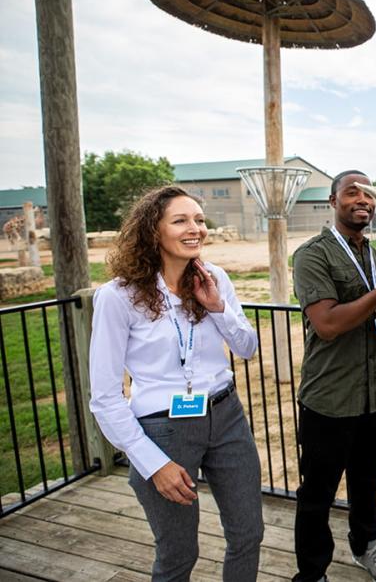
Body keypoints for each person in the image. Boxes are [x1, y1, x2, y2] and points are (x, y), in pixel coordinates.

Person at [89, 185, 263, 581]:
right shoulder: (118, 296)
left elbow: (247, 347)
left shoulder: (214, 276)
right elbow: (104, 396)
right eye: (181, 220)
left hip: (226, 417)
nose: (196, 228)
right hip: (163, 431)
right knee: (178, 554)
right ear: (154, 230)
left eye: (200, 220)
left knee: (249, 535)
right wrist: (151, 464)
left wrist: (218, 307)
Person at [291, 170, 376, 582]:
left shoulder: (375, 258)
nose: (362, 200)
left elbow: (372, 316)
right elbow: (326, 323)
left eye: (368, 195)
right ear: (333, 201)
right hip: (330, 399)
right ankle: (312, 572)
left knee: (366, 483)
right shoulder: (313, 255)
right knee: (317, 494)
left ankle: (366, 546)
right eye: (352, 193)